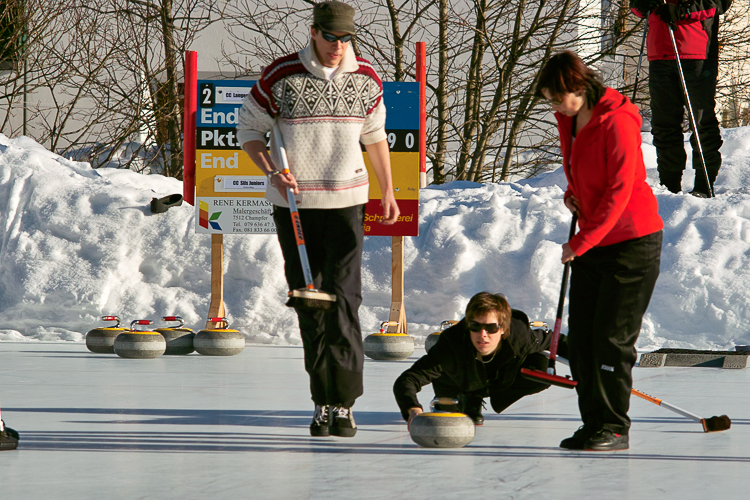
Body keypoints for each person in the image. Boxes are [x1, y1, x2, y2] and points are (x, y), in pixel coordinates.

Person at [236, 1, 399, 438]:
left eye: (346, 38)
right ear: (313, 32)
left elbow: (375, 137)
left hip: (347, 203)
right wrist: (272, 168)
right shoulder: (280, 76)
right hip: (295, 207)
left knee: (345, 300)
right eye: (331, 37)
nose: (338, 46)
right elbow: (248, 131)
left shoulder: (366, 78)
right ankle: (321, 400)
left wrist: (388, 190)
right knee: (311, 303)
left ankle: (343, 404)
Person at [535, 51, 664, 451]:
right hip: (594, 237)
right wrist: (574, 194)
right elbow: (586, 172)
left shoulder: (618, 122)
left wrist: (581, 242)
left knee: (611, 340)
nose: (554, 107)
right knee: (586, 340)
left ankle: (614, 427)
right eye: (550, 101)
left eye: (557, 99)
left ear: (578, 87)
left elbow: (620, 190)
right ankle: (593, 423)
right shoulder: (571, 118)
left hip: (632, 244)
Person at [393, 292, 565, 428]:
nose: (483, 335)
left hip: (498, 381)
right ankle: (468, 396)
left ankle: (477, 395)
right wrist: (412, 409)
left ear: (503, 329)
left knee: (542, 370)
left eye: (491, 328)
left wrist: (588, 362)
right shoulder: (452, 343)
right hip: (455, 382)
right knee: (450, 400)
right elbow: (408, 380)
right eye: (475, 326)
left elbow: (556, 341)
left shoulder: (520, 336)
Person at [631, 0, 732, 197]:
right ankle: (669, 187)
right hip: (659, 52)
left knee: (700, 121)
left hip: (696, 52)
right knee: (663, 124)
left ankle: (704, 185)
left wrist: (682, 11)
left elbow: (719, 2)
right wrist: (642, 4)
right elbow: (635, 6)